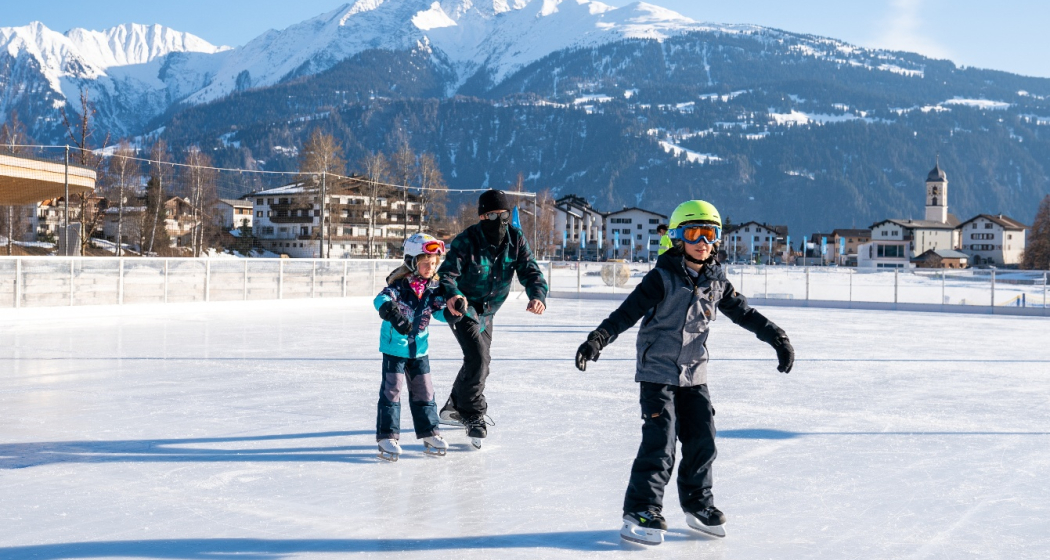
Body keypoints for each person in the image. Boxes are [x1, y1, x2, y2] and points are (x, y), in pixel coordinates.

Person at [574, 200, 794, 545]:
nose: (703, 241)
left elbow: (746, 314)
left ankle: (698, 504)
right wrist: (597, 340)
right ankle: (642, 509)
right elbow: (626, 313)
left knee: (703, 439)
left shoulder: (716, 280)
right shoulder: (661, 278)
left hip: (694, 374)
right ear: (678, 238)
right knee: (660, 443)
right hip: (658, 373)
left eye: (711, 233)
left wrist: (777, 338)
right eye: (695, 233)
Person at [438, 189, 549, 447]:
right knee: (478, 357)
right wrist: (453, 296)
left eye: (504, 215)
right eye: (492, 214)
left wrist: (538, 296)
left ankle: (453, 405)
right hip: (463, 307)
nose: (499, 220)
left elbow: (531, 272)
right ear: (481, 216)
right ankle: (474, 414)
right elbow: (446, 275)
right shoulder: (467, 240)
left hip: (489, 312)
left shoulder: (516, 239)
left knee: (481, 363)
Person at [373, 233, 452, 462]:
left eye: (435, 263)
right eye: (426, 262)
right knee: (392, 392)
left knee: (425, 393)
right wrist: (392, 313)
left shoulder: (432, 288)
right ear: (411, 261)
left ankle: (430, 433)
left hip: (420, 350)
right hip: (395, 349)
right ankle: (387, 437)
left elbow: (438, 312)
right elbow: (381, 300)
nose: (431, 267)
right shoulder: (399, 285)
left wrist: (453, 313)